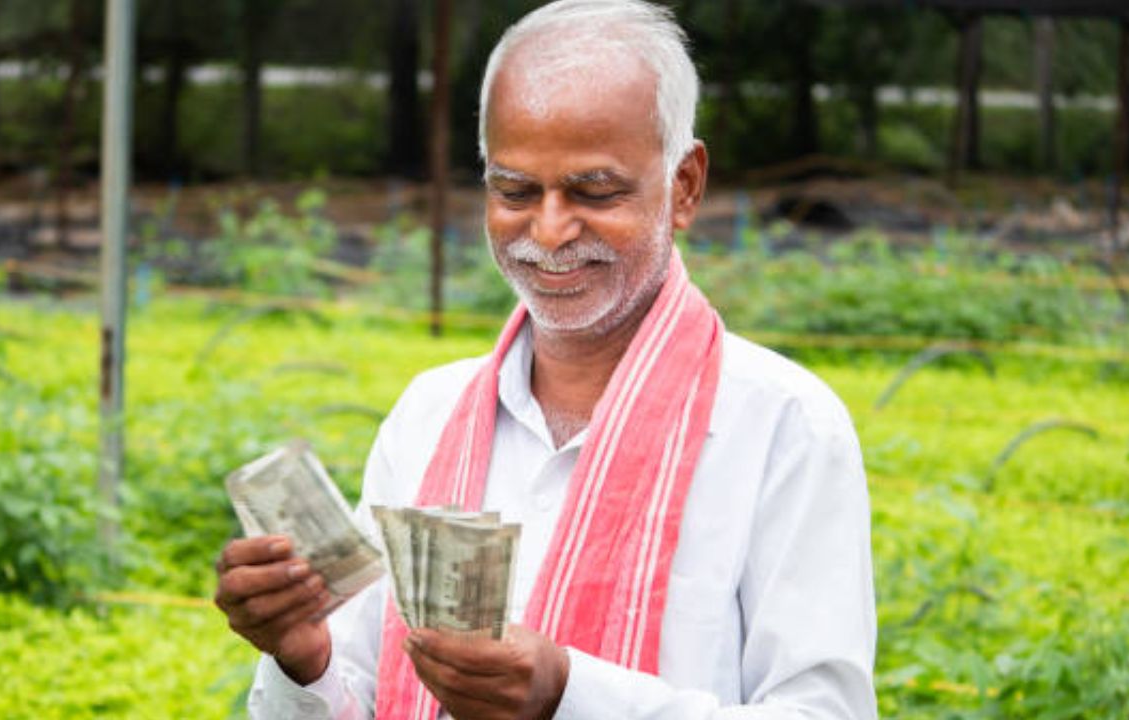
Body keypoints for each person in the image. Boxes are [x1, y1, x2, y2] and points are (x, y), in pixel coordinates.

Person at [214, 0, 877, 717]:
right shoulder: (429, 415)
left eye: (595, 191)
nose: (551, 230)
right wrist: (304, 659)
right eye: (515, 191)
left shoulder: (781, 424)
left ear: (684, 185)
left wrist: (570, 694)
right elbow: (355, 691)